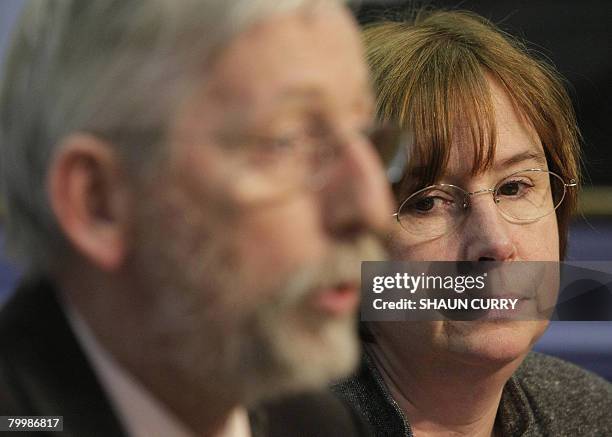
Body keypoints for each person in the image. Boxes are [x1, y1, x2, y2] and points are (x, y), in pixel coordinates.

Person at [0, 1, 395, 436]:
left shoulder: (319, 425)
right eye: (288, 142)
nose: (372, 209)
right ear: (100, 202)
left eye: (366, 136)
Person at [333, 9, 612, 437]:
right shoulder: (268, 422)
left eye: (514, 188)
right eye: (427, 202)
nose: (496, 244)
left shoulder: (591, 415)